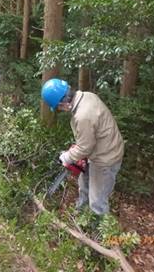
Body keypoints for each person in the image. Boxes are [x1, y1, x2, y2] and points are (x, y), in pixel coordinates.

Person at [41, 78, 124, 215]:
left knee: (97, 200)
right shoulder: (87, 96)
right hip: (98, 149)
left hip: (105, 158)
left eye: (59, 107)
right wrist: (77, 151)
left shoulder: (82, 115)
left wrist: (67, 157)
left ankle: (97, 231)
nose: (60, 110)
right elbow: (88, 137)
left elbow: (85, 147)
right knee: (84, 185)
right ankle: (81, 216)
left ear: (63, 102)